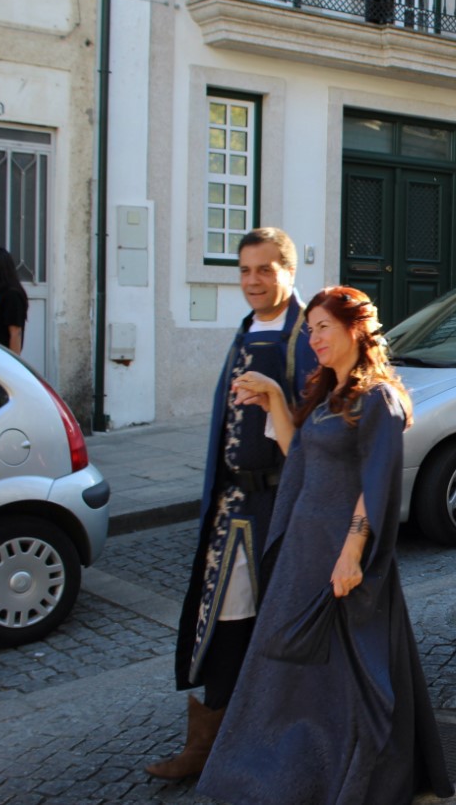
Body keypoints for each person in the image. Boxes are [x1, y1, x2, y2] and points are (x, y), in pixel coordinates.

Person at [197, 286, 453, 804]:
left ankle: (347, 772)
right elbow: (303, 463)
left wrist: (351, 554)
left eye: (323, 328)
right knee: (285, 662)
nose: (313, 338)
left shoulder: (376, 398)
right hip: (303, 548)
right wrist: (273, 395)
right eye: (309, 328)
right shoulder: (326, 392)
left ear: (354, 331)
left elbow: (374, 483)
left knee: (351, 673)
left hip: (342, 550)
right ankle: (280, 769)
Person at [147, 228, 316, 781]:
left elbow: (324, 428)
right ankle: (208, 742)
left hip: (284, 507)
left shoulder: (309, 335)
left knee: (290, 628)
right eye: (245, 271)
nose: (252, 282)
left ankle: (290, 742)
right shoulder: (245, 329)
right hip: (235, 507)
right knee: (224, 622)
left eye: (265, 270)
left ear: (289, 271)